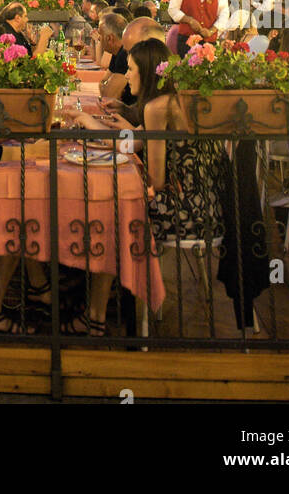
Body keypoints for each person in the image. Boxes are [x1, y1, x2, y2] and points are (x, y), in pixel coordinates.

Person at [73, 37, 227, 333]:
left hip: (185, 212)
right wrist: (87, 119)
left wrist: (99, 126)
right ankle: (106, 293)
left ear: (147, 72)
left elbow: (156, 179)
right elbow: (129, 141)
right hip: (208, 204)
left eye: (131, 69)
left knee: (110, 215)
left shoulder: (158, 107)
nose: (126, 74)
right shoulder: (173, 100)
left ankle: (96, 313)